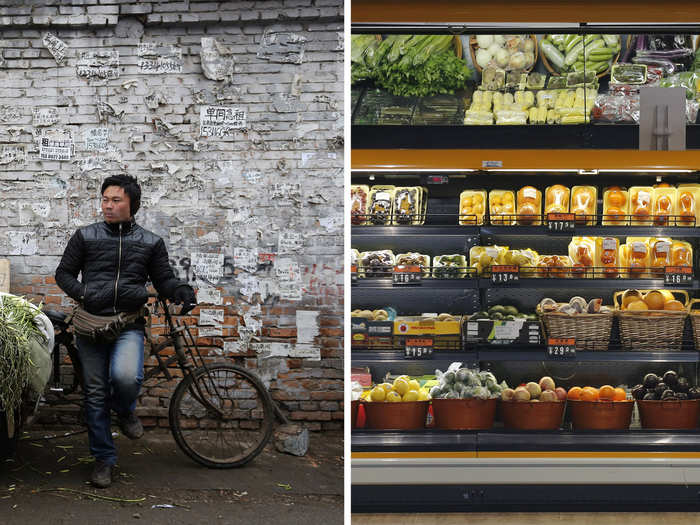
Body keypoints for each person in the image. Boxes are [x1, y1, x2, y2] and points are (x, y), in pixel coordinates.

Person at [55, 174, 196, 488]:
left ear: (132, 203)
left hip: (128, 323)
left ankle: (124, 409)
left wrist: (180, 289)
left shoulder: (150, 242)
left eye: (115, 200)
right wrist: (83, 293)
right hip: (91, 325)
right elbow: (63, 273)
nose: (108, 205)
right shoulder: (86, 236)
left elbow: (164, 281)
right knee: (94, 395)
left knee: (126, 377)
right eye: (105, 199)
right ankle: (104, 459)